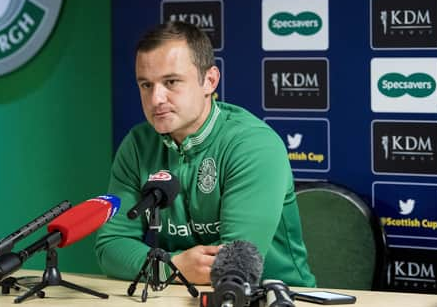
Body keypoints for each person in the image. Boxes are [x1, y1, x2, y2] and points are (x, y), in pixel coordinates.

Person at [94, 21, 315, 286]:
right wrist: (172, 266)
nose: (156, 99)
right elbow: (111, 246)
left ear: (209, 80)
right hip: (178, 295)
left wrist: (161, 267)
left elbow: (235, 265)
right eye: (146, 85)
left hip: (275, 297)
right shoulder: (139, 144)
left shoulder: (254, 145)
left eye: (171, 81)